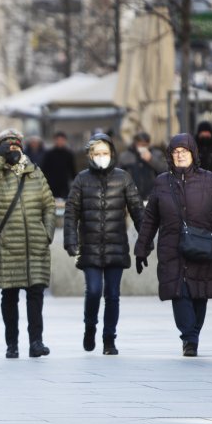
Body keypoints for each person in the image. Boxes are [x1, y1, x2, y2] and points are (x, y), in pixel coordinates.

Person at [133, 133, 212, 357]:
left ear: (193, 154)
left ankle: (193, 333)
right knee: (179, 293)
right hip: (172, 249)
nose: (179, 155)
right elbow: (150, 219)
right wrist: (142, 249)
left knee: (200, 294)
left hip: (203, 247)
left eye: (184, 151)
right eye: (175, 152)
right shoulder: (161, 182)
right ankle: (189, 338)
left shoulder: (210, 181)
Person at [0, 129, 55, 359]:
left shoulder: (34, 172)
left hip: (35, 246)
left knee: (35, 294)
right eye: (6, 145)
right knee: (9, 296)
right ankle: (12, 344)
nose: (13, 149)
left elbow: (49, 205)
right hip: (7, 246)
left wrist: (46, 233)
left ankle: (36, 342)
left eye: (16, 145)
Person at [63, 133, 143, 355]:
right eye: (97, 153)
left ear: (112, 154)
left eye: (105, 153)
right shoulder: (81, 179)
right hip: (89, 246)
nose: (101, 157)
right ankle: (90, 327)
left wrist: (144, 239)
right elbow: (71, 213)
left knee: (113, 294)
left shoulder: (123, 178)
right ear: (90, 155)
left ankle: (109, 338)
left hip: (116, 245)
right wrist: (70, 240)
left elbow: (137, 209)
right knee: (94, 291)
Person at [118, 132, 166, 199]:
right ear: (135, 144)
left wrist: (151, 159)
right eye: (140, 145)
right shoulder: (125, 156)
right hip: (132, 195)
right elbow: (119, 176)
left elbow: (165, 170)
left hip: (152, 195)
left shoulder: (157, 154)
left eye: (145, 145)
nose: (143, 147)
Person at [40, 132, 77, 199]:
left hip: (64, 183)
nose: (60, 142)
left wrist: (75, 181)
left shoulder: (68, 154)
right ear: (55, 141)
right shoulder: (49, 154)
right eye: (58, 140)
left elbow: (72, 169)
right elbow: (44, 169)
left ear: (65, 141)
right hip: (51, 183)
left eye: (62, 140)